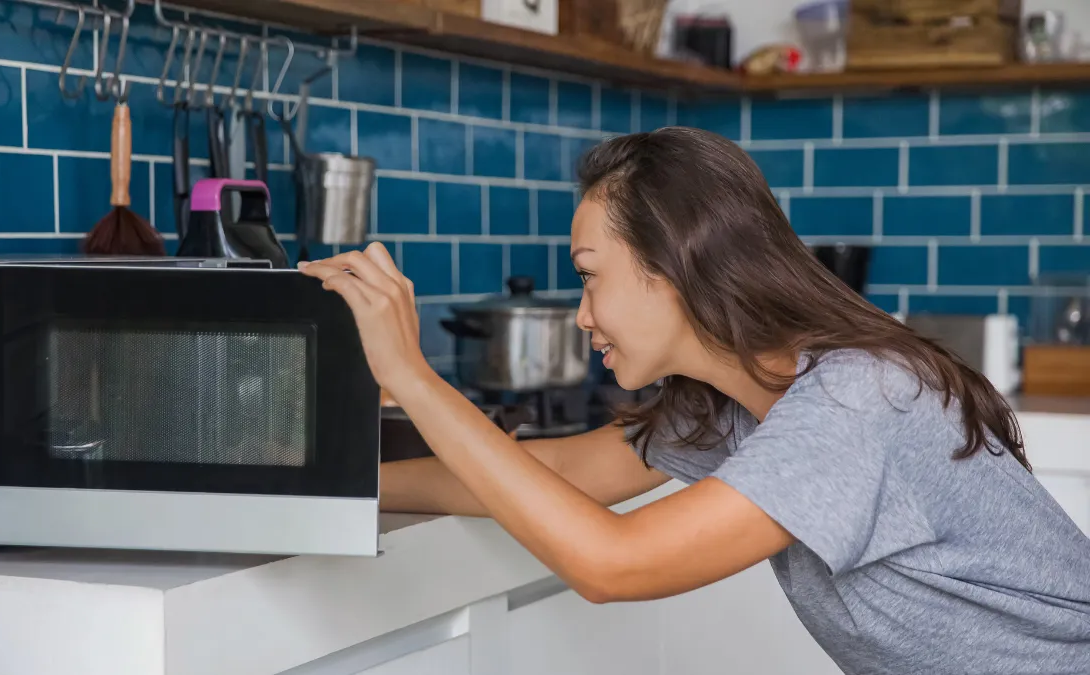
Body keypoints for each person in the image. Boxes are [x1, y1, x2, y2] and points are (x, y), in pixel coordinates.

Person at [298, 127, 1090, 674]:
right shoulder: (733, 401)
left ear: (673, 265)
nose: (582, 314)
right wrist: (338, 484)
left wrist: (413, 376)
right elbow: (564, 471)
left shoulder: (856, 400)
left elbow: (613, 563)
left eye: (588, 275)